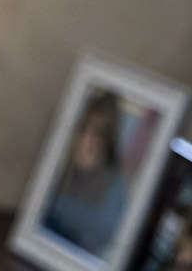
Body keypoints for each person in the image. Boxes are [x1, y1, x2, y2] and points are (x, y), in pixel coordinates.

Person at [43, 91, 132, 257]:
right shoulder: (53, 166)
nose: (90, 140)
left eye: (99, 133)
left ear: (109, 139)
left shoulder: (116, 189)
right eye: (84, 129)